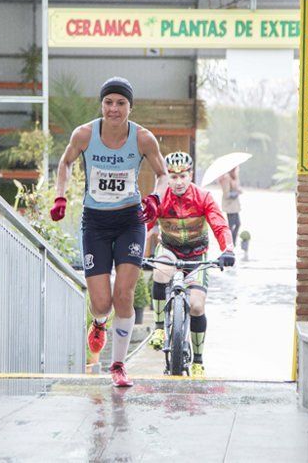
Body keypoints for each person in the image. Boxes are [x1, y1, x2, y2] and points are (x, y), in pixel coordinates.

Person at [51, 76, 168, 388]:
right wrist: (61, 195)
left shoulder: (143, 139)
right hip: (96, 224)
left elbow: (163, 175)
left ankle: (117, 364)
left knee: (124, 294)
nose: (114, 109)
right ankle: (99, 322)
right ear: (101, 104)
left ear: (130, 107)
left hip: (130, 221)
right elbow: (65, 163)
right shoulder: (85, 134)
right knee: (102, 302)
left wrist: (156, 198)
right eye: (108, 102)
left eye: (120, 103)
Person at [143, 151, 235, 377]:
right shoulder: (160, 198)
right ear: (167, 177)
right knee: (161, 272)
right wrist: (133, 249)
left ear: (190, 175)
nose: (178, 182)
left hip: (197, 255)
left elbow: (220, 226)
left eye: (183, 176)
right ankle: (158, 329)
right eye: (173, 177)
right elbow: (143, 226)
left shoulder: (203, 197)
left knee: (196, 306)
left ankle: (198, 360)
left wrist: (228, 250)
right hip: (169, 249)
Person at [218, 166, 241, 247]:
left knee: (238, 224)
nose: (237, 170)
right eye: (236, 168)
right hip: (229, 206)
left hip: (235, 206)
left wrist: (238, 190)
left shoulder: (234, 176)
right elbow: (226, 194)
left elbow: (236, 187)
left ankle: (233, 242)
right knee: (231, 226)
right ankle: (229, 243)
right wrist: (236, 193)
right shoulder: (226, 178)